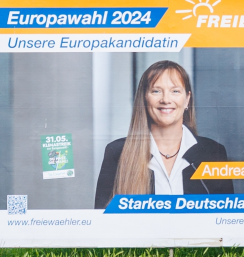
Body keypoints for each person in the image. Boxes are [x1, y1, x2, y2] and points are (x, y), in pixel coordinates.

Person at [94, 60, 234, 208]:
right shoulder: (117, 152)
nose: (166, 100)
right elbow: (103, 223)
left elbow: (226, 221)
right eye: (156, 91)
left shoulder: (213, 152)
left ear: (187, 99)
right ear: (144, 99)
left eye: (175, 91)